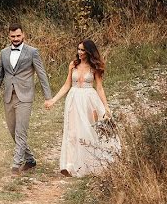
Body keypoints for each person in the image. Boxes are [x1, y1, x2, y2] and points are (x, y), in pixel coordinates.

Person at [44, 39, 118, 177]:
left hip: (89, 100)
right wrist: (53, 100)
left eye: (82, 50)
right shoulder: (73, 65)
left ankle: (90, 163)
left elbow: (100, 88)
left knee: (89, 130)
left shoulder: (94, 67)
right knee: (72, 131)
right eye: (78, 49)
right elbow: (67, 85)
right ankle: (70, 165)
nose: (79, 52)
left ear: (89, 51)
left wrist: (106, 107)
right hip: (73, 99)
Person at [0, 23, 53, 173]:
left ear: (23, 35)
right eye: (13, 36)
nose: (16, 38)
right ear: (9, 36)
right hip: (8, 97)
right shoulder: (3, 53)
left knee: (21, 131)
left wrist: (48, 97)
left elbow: (41, 74)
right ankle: (30, 160)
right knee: (12, 130)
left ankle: (16, 165)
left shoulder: (32, 52)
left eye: (18, 36)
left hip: (25, 97)